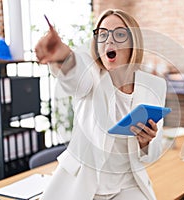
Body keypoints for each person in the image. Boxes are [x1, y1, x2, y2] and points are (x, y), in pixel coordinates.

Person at [35, 8, 167, 200]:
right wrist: (63, 57)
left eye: (120, 34)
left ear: (134, 43)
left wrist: (145, 143)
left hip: (127, 185)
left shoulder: (155, 86)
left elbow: (153, 153)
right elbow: (75, 75)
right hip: (82, 185)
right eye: (102, 35)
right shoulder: (91, 76)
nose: (109, 40)